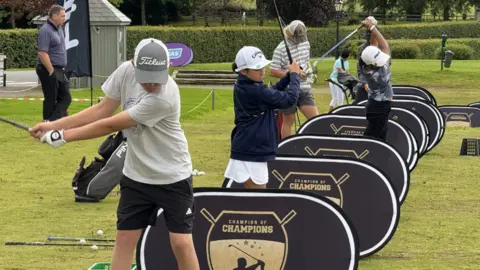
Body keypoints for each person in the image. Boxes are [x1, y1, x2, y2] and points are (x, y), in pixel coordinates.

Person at [29, 38, 200, 270]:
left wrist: (63, 136)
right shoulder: (125, 72)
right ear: (134, 65)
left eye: (156, 78)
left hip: (172, 176)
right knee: (124, 239)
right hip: (136, 176)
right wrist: (54, 126)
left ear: (167, 67)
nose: (151, 84)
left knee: (180, 242)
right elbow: (102, 109)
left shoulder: (165, 98)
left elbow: (111, 124)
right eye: (145, 78)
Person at [224, 46, 301, 189]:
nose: (262, 71)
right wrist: (295, 75)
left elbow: (271, 92)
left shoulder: (247, 84)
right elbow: (289, 99)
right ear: (243, 70)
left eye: (263, 67)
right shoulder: (255, 90)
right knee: (258, 202)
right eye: (257, 68)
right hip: (252, 149)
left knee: (255, 201)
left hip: (249, 146)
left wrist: (289, 77)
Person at [270, 20, 318, 139]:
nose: (298, 41)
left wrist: (307, 71)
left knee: (315, 120)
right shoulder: (280, 49)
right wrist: (293, 74)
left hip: (304, 87)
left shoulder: (305, 43)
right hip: (288, 89)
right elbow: (273, 71)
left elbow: (306, 61)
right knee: (288, 121)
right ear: (290, 34)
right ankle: (286, 149)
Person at [359, 17, 393, 142]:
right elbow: (384, 44)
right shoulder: (382, 71)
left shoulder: (366, 66)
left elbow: (374, 45)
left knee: (379, 136)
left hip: (374, 105)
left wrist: (371, 28)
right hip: (380, 107)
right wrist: (372, 27)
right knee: (372, 140)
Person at [36, 4, 72, 122]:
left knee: (65, 98)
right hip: (48, 68)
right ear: (54, 15)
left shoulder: (59, 28)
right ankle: (50, 123)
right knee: (51, 98)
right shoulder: (45, 31)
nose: (64, 18)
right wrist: (51, 71)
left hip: (59, 69)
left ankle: (54, 121)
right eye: (62, 16)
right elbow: (42, 53)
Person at [328, 48, 351, 112]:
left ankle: (332, 114)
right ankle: (332, 114)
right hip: (334, 80)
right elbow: (341, 72)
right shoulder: (338, 61)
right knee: (337, 99)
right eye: (349, 54)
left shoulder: (347, 62)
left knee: (338, 99)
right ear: (347, 55)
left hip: (340, 80)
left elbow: (347, 72)